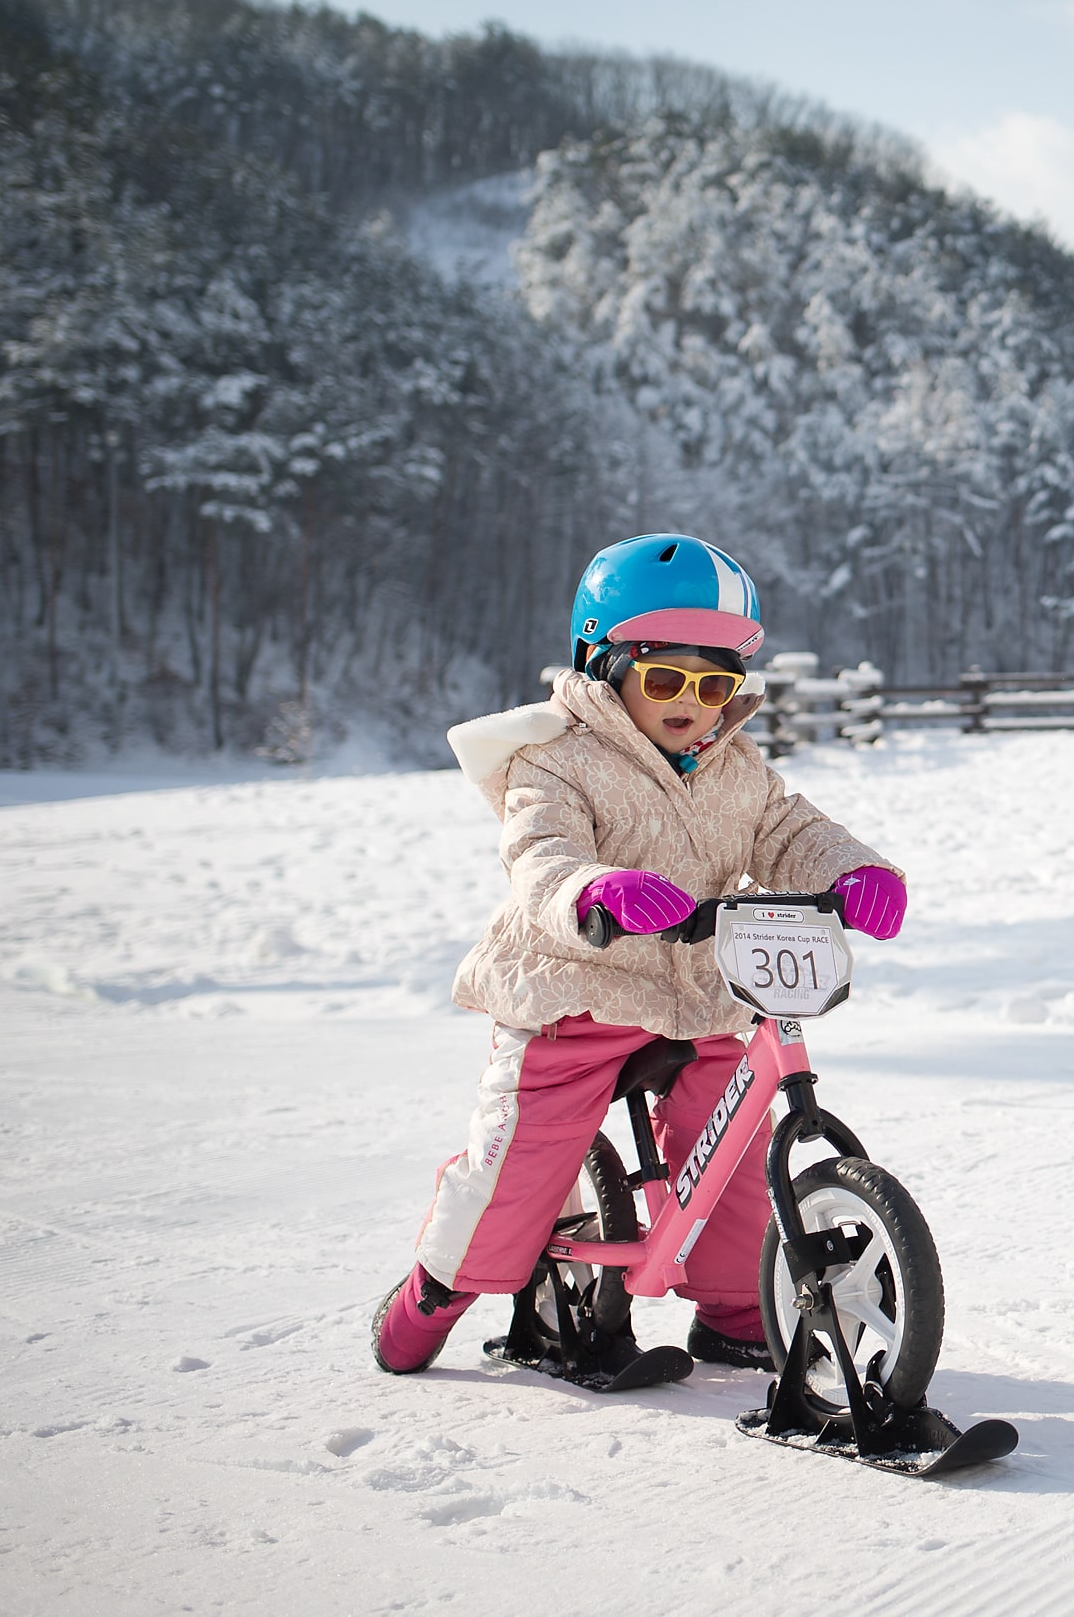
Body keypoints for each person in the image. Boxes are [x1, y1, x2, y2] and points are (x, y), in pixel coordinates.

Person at [371, 533, 907, 1377]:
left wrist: (855, 870)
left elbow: (789, 830)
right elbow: (539, 851)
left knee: (730, 1133)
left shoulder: (735, 767)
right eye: (665, 679)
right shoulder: (552, 757)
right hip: (575, 990)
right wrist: (594, 889)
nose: (692, 703)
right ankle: (432, 1294)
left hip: (694, 993)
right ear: (606, 663)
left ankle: (738, 1307)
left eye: (715, 682)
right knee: (523, 1164)